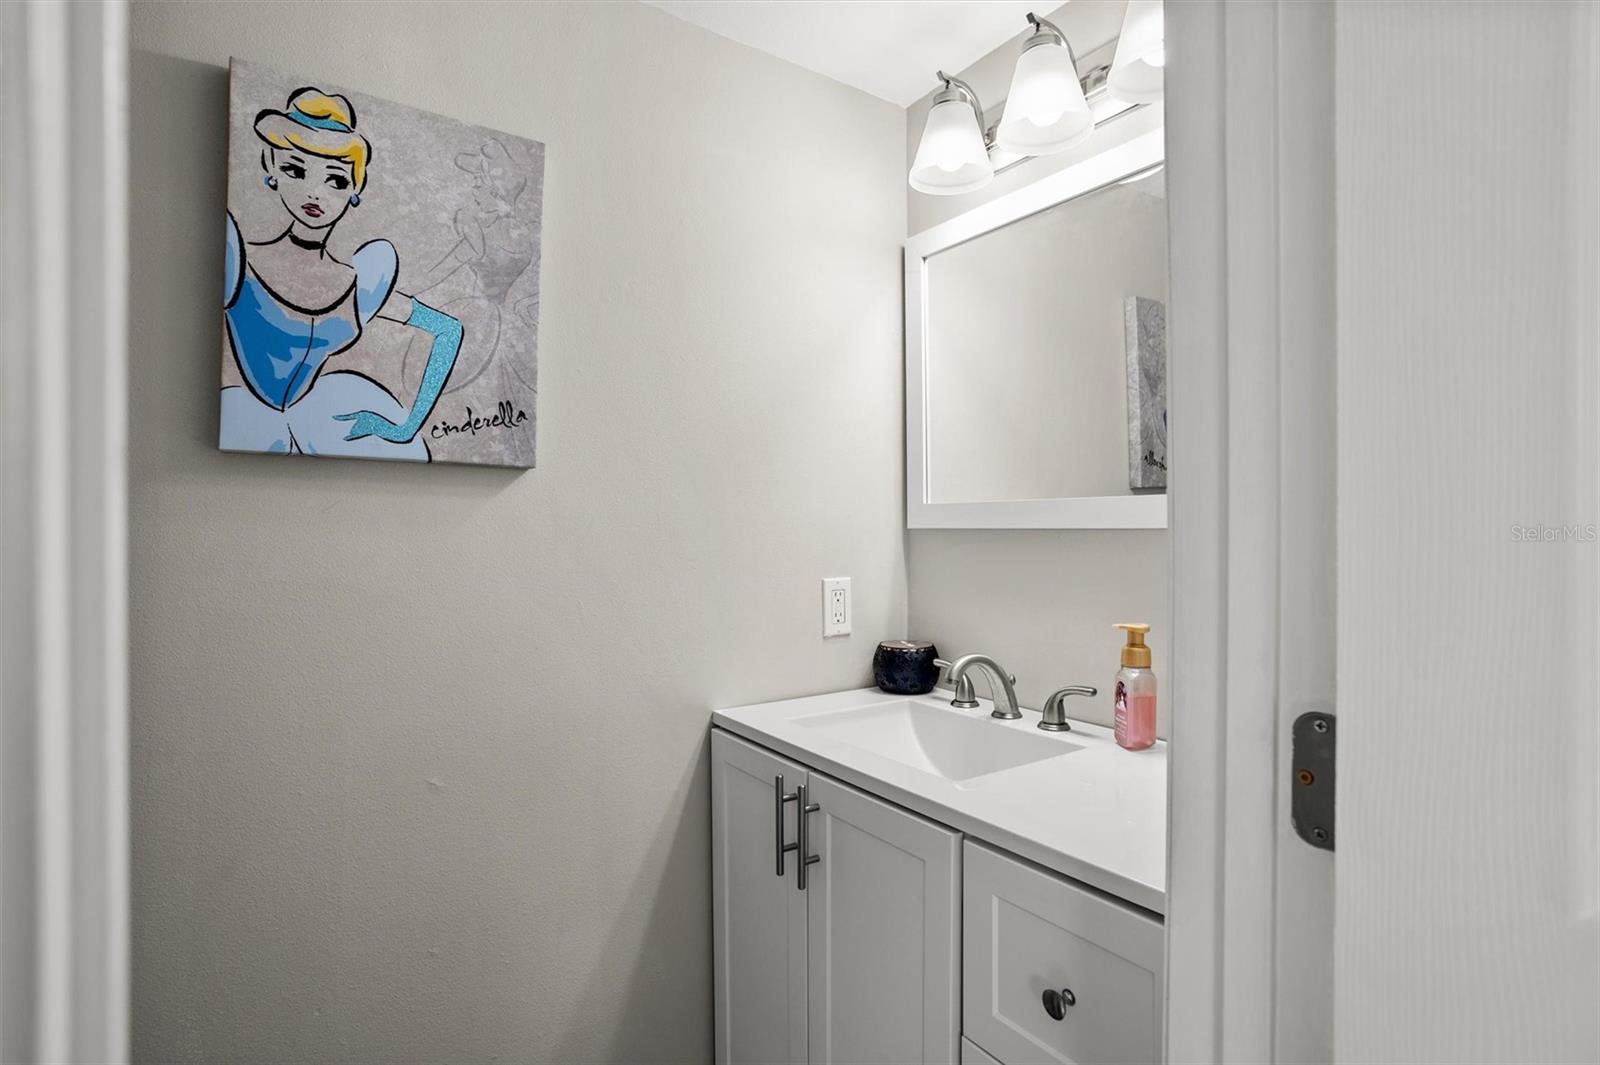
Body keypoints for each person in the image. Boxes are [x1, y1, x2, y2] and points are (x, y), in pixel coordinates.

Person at [221, 87, 463, 461]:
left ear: (354, 189)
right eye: (295, 170)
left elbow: (449, 330)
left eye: (335, 180)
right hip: (248, 419)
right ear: (272, 170)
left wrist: (405, 429)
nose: (315, 194)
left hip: (320, 415)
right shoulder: (240, 261)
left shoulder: (359, 283)